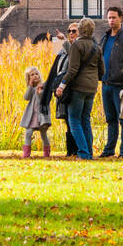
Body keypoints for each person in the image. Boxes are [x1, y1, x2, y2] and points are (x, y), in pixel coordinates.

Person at [54, 17, 102, 160]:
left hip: (78, 88)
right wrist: (92, 79)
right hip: (92, 88)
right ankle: (89, 153)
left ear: (80, 30)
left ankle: (83, 152)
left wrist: (62, 85)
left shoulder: (77, 45)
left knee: (74, 120)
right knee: (85, 120)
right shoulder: (97, 47)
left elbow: (72, 70)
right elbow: (102, 71)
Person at [98, 6, 123, 159]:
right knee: (110, 119)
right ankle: (109, 150)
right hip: (106, 84)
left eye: (114, 17)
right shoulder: (106, 37)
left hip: (121, 86)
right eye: (109, 18)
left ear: (121, 18)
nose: (111, 20)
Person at [41, 23, 79, 155]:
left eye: (74, 31)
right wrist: (46, 84)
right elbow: (55, 68)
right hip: (60, 88)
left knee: (72, 118)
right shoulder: (63, 49)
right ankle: (70, 151)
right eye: (69, 31)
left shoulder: (78, 47)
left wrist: (62, 41)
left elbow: (73, 58)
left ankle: (76, 150)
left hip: (71, 88)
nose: (71, 33)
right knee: (66, 119)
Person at [20, 65, 51, 158]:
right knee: (28, 133)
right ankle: (26, 154)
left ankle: (46, 153)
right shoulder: (31, 88)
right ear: (29, 78)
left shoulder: (44, 86)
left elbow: (43, 99)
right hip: (32, 116)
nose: (35, 76)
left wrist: (39, 92)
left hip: (41, 116)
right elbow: (26, 97)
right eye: (32, 75)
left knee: (43, 134)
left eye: (36, 74)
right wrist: (30, 85)